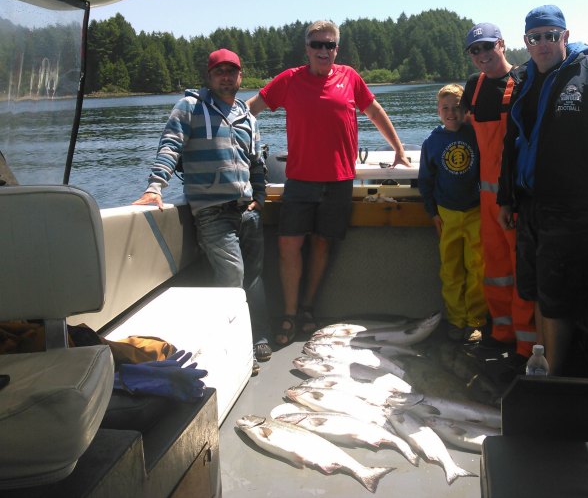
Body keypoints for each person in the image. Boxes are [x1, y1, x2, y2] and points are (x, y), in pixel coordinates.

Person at [497, 5, 588, 375]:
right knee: (535, 292)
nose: (544, 43)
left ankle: (554, 380)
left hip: (572, 205)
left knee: (558, 301)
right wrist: (506, 197)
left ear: (565, 36)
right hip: (530, 204)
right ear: (526, 42)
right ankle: (541, 365)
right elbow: (512, 142)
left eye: (551, 35)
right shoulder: (524, 79)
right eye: (536, 37)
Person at [247, 20, 410, 346]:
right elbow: (251, 110)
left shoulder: (350, 77)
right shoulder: (289, 80)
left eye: (329, 45)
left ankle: (307, 309)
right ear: (306, 48)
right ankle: (289, 314)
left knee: (322, 244)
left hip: (338, 181)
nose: (323, 50)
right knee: (288, 245)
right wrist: (233, 146)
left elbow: (374, 111)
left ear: (337, 48)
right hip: (300, 181)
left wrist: (398, 148)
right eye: (317, 44)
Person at [133, 49, 272, 371]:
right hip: (212, 212)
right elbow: (170, 145)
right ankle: (237, 351)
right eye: (219, 71)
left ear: (240, 76)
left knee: (254, 278)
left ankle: (258, 336)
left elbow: (257, 161)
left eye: (232, 71)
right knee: (232, 276)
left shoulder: (247, 116)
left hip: (247, 210)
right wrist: (155, 186)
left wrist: (261, 195)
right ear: (209, 77)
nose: (226, 77)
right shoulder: (191, 107)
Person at [460, 22, 537, 365]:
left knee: (521, 274)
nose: (482, 55)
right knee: (495, 270)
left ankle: (525, 348)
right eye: (475, 50)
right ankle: (500, 334)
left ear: (503, 45)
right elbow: (457, 127)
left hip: (515, 197)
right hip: (486, 199)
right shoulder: (473, 87)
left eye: (487, 47)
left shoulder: (523, 81)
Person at [418, 83, 488, 342]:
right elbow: (426, 180)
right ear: (437, 111)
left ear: (465, 110)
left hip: (475, 212)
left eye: (457, 108)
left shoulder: (474, 135)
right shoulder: (433, 142)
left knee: (477, 267)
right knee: (451, 270)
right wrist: (432, 212)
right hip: (446, 214)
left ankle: (476, 321)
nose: (451, 113)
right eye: (445, 108)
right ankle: (456, 320)